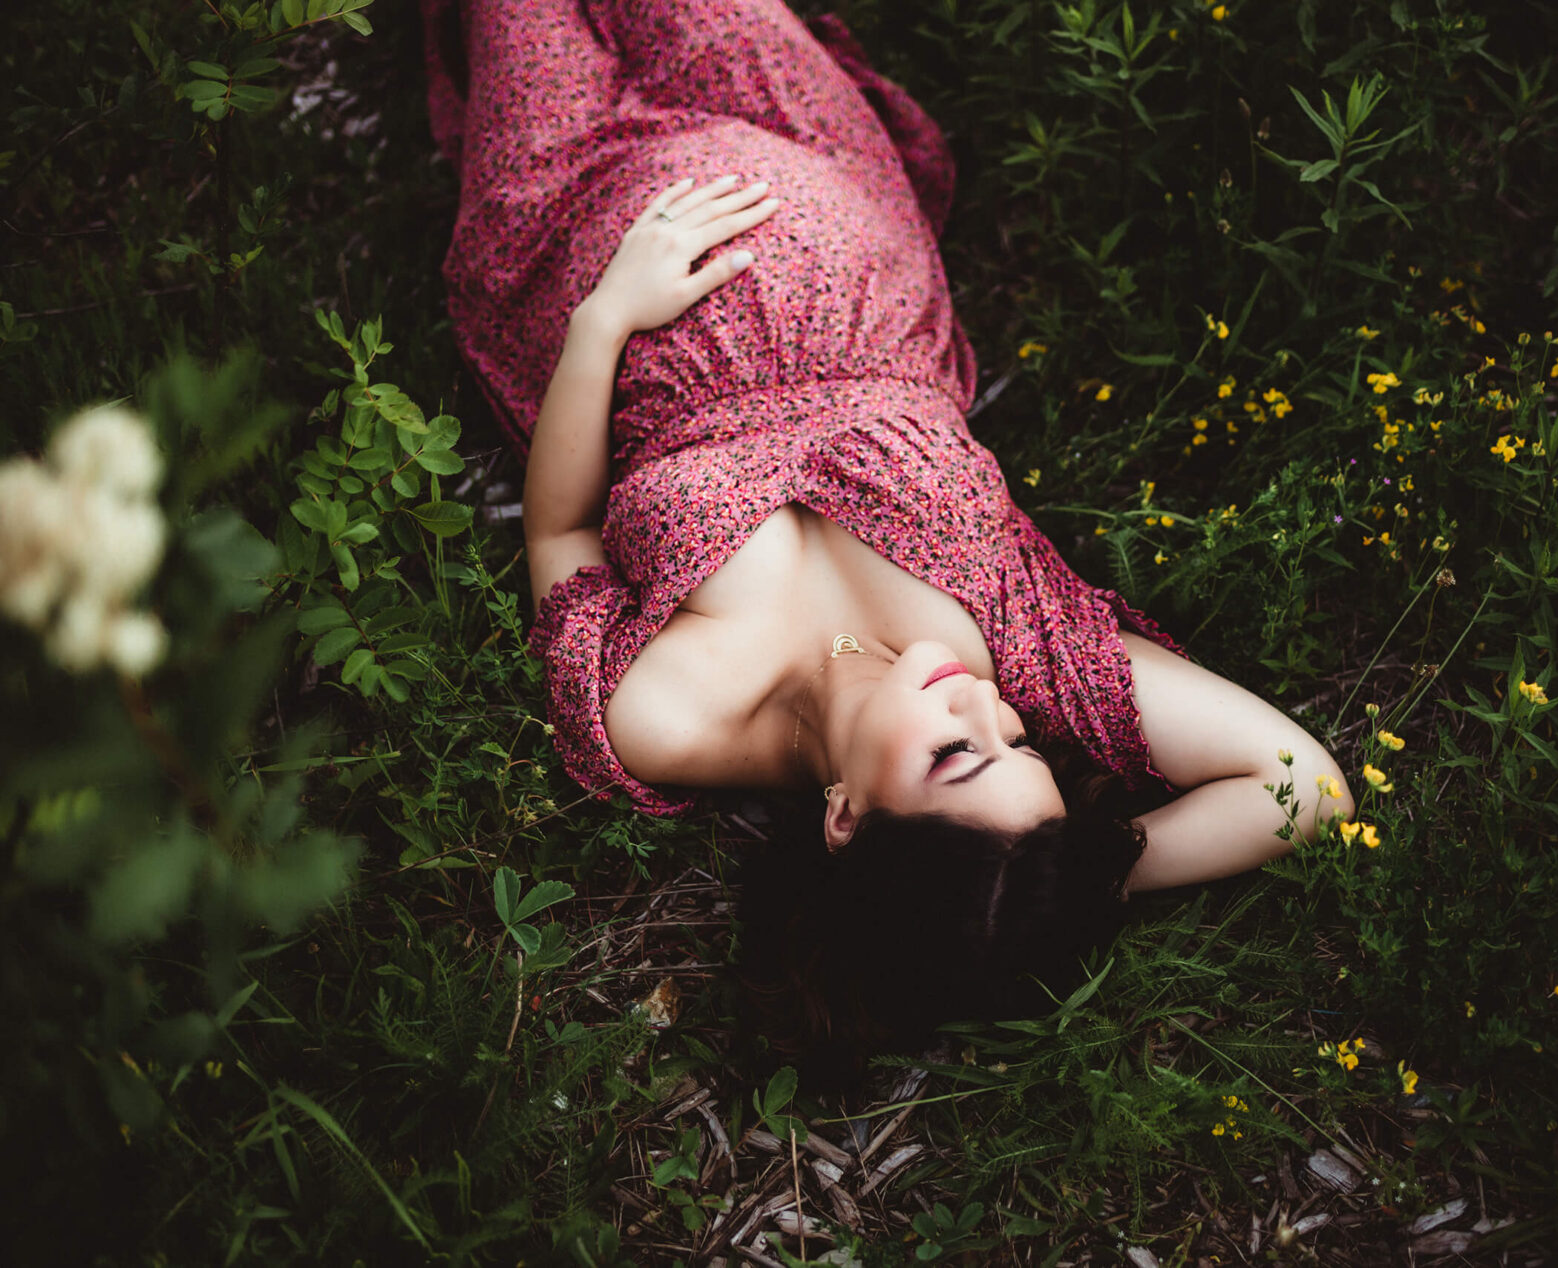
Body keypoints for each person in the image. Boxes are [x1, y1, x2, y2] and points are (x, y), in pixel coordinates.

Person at [422, 0, 1353, 1085]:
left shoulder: (663, 715)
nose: (987, 707)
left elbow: (562, 526)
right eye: (1023, 747)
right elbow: (1303, 785)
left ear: (847, 819)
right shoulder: (1009, 639)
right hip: (795, 146)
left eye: (961, 756)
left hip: (574, 212)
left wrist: (607, 314)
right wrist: (1059, 878)